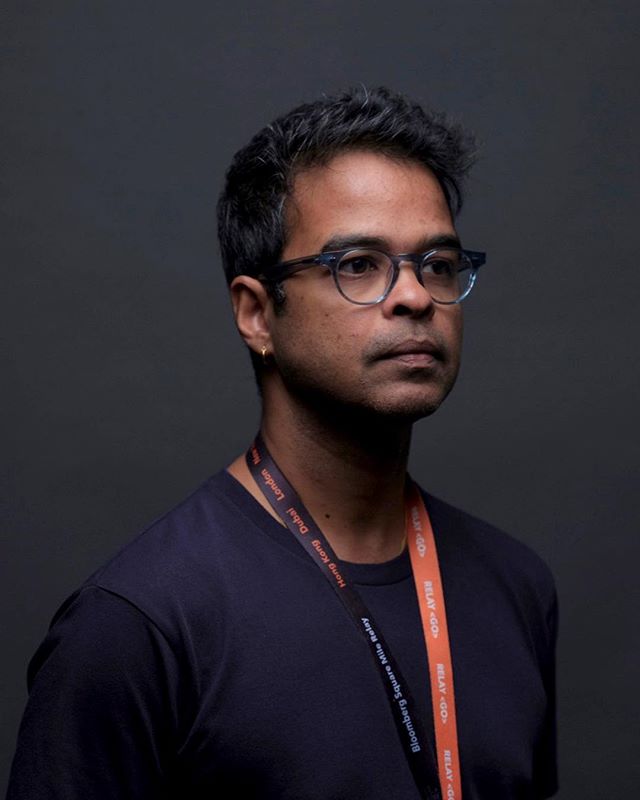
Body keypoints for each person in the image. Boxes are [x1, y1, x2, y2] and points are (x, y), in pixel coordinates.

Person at [7, 86, 558, 799]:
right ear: (257, 314)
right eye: (358, 264)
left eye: (438, 264)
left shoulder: (515, 587)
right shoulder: (139, 622)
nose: (416, 296)